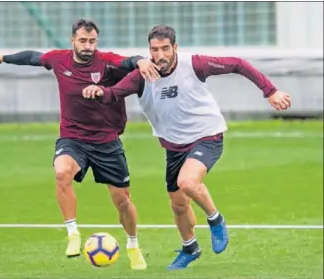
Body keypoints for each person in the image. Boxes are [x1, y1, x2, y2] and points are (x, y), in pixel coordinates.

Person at [82, 25, 292, 270]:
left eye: (165, 49)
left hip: (206, 136)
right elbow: (114, 94)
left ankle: (216, 219)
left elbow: (237, 63)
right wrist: (98, 91)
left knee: (188, 182)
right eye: (154, 49)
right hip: (174, 147)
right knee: (178, 204)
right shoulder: (142, 75)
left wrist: (271, 91)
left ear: (175, 48)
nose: (159, 55)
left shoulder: (195, 64)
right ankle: (190, 247)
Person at [0, 19, 161, 270]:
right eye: (83, 41)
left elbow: (128, 61)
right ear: (72, 40)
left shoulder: (106, 61)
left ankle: (132, 244)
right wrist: (0, 58)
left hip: (107, 141)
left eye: (92, 41)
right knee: (62, 172)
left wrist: (140, 60)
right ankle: (73, 232)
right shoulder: (58, 59)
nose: (88, 46)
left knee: (122, 201)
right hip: (73, 137)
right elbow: (32, 57)